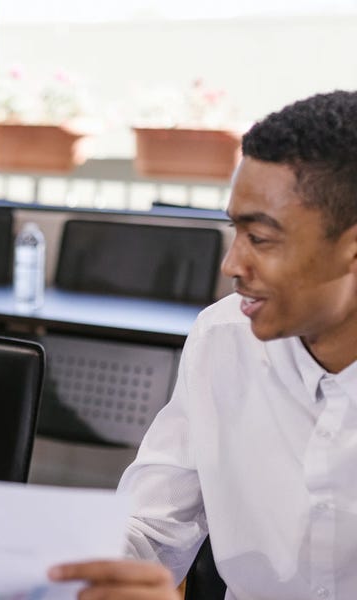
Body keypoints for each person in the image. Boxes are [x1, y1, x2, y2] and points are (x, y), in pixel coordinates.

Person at [50, 89, 357, 599]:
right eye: (234, 231)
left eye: (259, 239)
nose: (231, 265)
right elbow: (150, 527)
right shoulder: (223, 338)